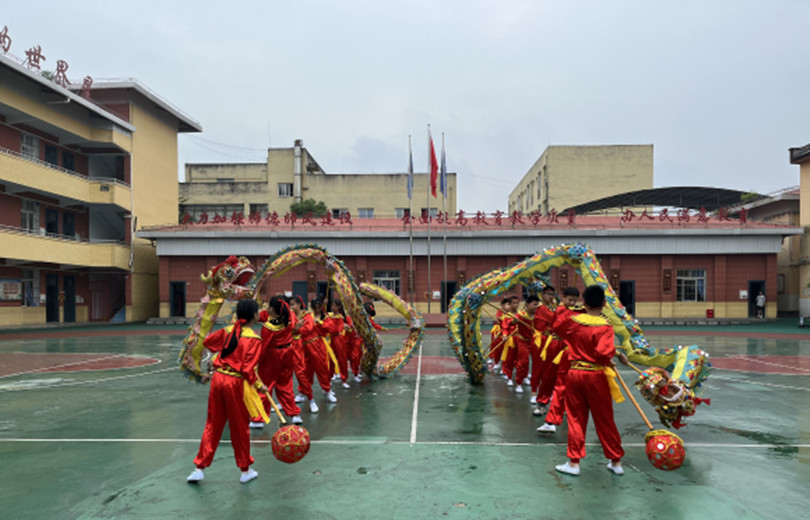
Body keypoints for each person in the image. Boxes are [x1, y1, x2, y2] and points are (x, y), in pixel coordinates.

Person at [535, 285, 628, 476]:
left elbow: (557, 327)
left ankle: (574, 463)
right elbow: (603, 353)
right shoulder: (605, 326)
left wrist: (575, 310)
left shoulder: (574, 321)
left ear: (584, 302)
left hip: (576, 373)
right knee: (605, 418)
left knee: (576, 419)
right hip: (596, 376)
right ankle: (616, 461)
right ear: (604, 303)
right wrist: (611, 359)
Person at [187, 299, 266, 484]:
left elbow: (209, 342)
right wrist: (259, 385)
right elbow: (248, 370)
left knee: (213, 424)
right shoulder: (254, 339)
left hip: (218, 379)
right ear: (254, 315)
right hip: (235, 383)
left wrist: (222, 352)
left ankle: (199, 468)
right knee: (239, 426)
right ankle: (245, 470)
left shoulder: (229, 331)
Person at [252, 296, 303, 427]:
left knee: (266, 385)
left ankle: (260, 418)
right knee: (286, 385)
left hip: (272, 356)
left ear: (272, 309)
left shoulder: (269, 327)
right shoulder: (288, 320)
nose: (267, 308)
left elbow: (264, 347)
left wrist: (256, 361)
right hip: (288, 353)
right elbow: (295, 328)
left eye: (269, 306)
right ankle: (294, 414)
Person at [508, 295, 540, 394]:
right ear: (527, 304)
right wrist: (514, 320)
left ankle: (532, 381)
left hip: (535, 342)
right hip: (523, 342)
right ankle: (519, 383)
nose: (536, 307)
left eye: (537, 305)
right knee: (523, 362)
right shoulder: (521, 315)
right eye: (534, 305)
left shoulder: (538, 315)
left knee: (537, 363)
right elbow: (510, 323)